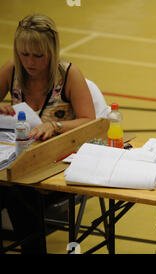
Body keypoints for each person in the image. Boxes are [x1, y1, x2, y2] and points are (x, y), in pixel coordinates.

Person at [0, 14, 95, 253]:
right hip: (15, 160)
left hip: (54, 166)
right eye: (24, 54)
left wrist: (56, 126)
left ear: (52, 52)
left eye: (38, 56)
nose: (30, 62)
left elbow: (91, 123)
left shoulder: (69, 75)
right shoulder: (12, 70)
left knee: (20, 193)